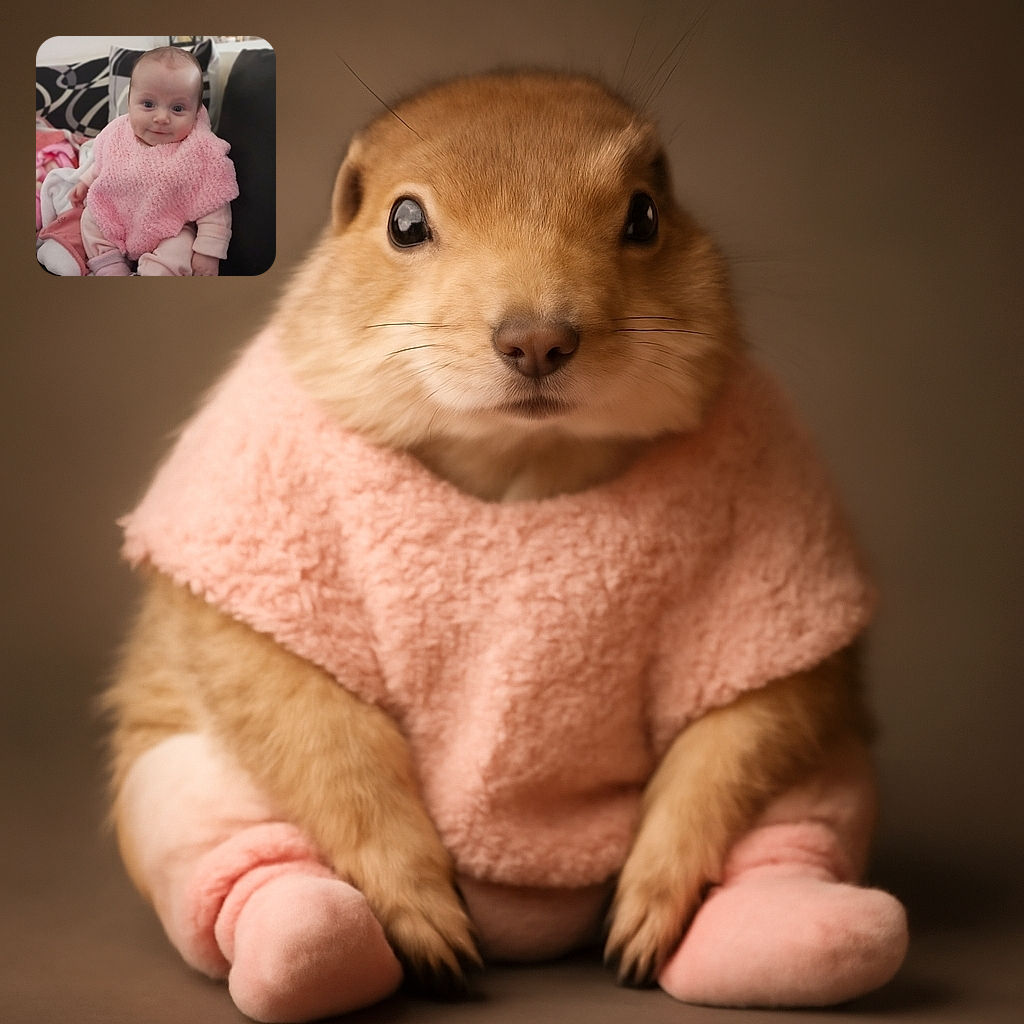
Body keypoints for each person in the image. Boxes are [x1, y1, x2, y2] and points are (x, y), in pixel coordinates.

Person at [70, 46, 238, 276]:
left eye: (178, 108)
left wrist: (208, 253)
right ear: (129, 103)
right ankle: (109, 265)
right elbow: (103, 163)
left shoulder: (201, 151)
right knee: (92, 217)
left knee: (180, 247)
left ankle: (153, 275)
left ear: (196, 111)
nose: (161, 118)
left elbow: (214, 202)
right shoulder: (118, 133)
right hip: (116, 214)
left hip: (169, 227)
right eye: (148, 104)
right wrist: (85, 182)